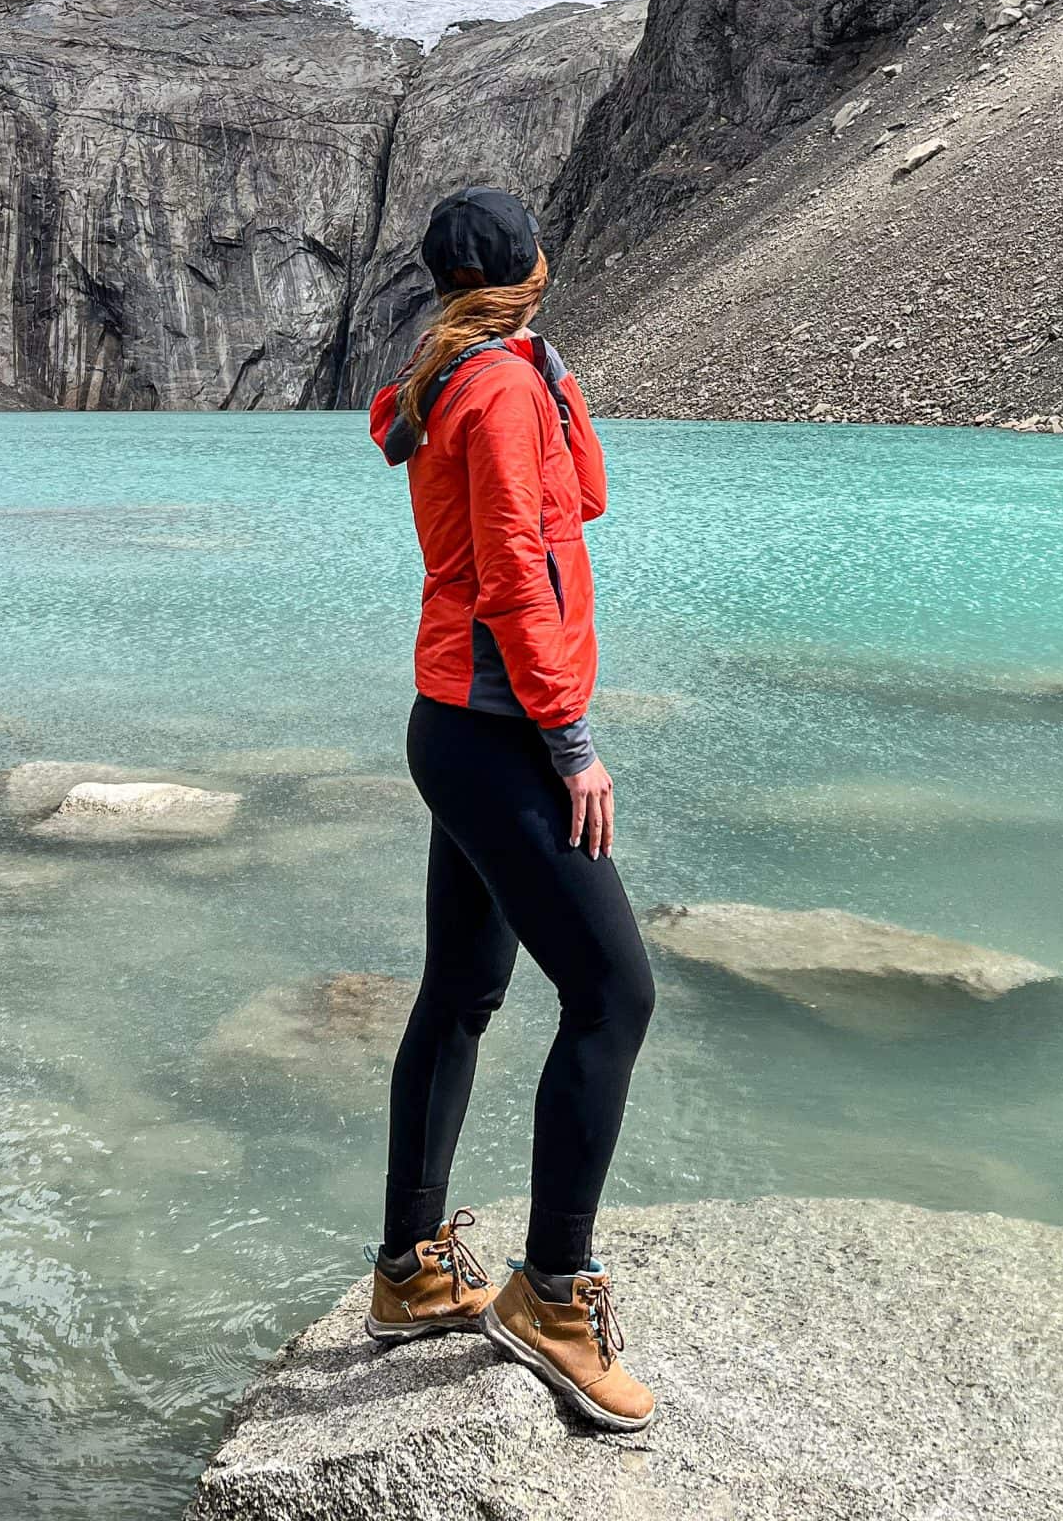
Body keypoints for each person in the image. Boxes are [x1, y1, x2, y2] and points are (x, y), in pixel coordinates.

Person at [365, 184, 657, 1433]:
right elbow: (512, 578)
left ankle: (411, 1266)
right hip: (501, 735)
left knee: (465, 990)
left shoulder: (483, 376)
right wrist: (573, 744)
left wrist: (550, 362)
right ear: (537, 261)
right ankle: (551, 1293)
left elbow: (580, 498)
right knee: (613, 994)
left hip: (461, 728)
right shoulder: (493, 391)